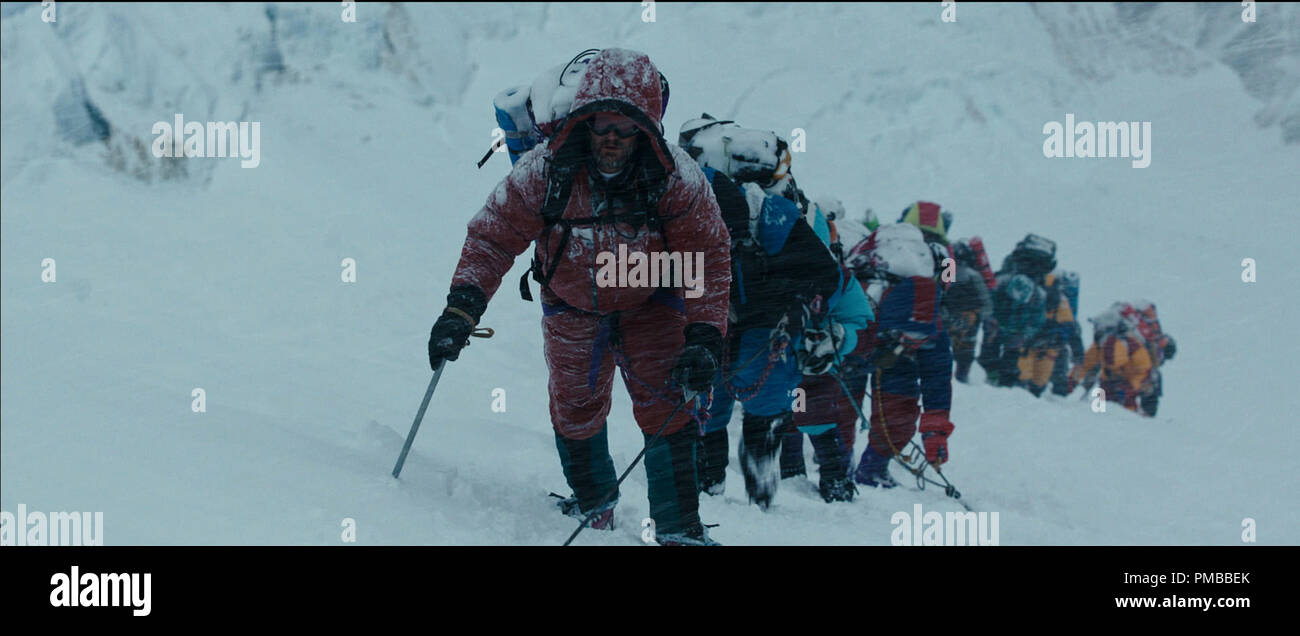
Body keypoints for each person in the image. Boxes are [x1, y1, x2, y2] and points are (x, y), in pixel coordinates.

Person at [427, 49, 730, 545]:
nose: (611, 136)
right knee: (575, 406)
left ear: (646, 128)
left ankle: (679, 529)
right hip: (571, 305)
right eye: (601, 122)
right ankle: (594, 504)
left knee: (669, 403)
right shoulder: (545, 170)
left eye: (625, 125)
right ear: (583, 120)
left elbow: (709, 254)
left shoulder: (677, 178)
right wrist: (461, 308)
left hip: (651, 302)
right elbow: (493, 235)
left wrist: (703, 337)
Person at [678, 114, 844, 509]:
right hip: (755, 325)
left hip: (734, 321)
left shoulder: (745, 209)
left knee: (715, 407)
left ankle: (715, 487)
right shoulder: (773, 212)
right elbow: (825, 273)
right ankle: (755, 492)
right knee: (755, 409)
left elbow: (821, 273)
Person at [845, 223, 955, 489]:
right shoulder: (862, 310)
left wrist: (935, 431)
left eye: (916, 339)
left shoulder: (930, 328)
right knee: (840, 409)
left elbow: (937, 376)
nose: (911, 342)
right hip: (861, 348)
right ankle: (839, 466)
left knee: (897, 416)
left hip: (882, 353)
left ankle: (866, 469)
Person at [942, 240, 993, 383]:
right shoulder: (974, 274)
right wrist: (980, 317)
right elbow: (985, 301)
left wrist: (944, 314)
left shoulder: (948, 270)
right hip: (970, 318)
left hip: (950, 316)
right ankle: (961, 378)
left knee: (944, 346)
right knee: (966, 349)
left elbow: (943, 293)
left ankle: (944, 376)